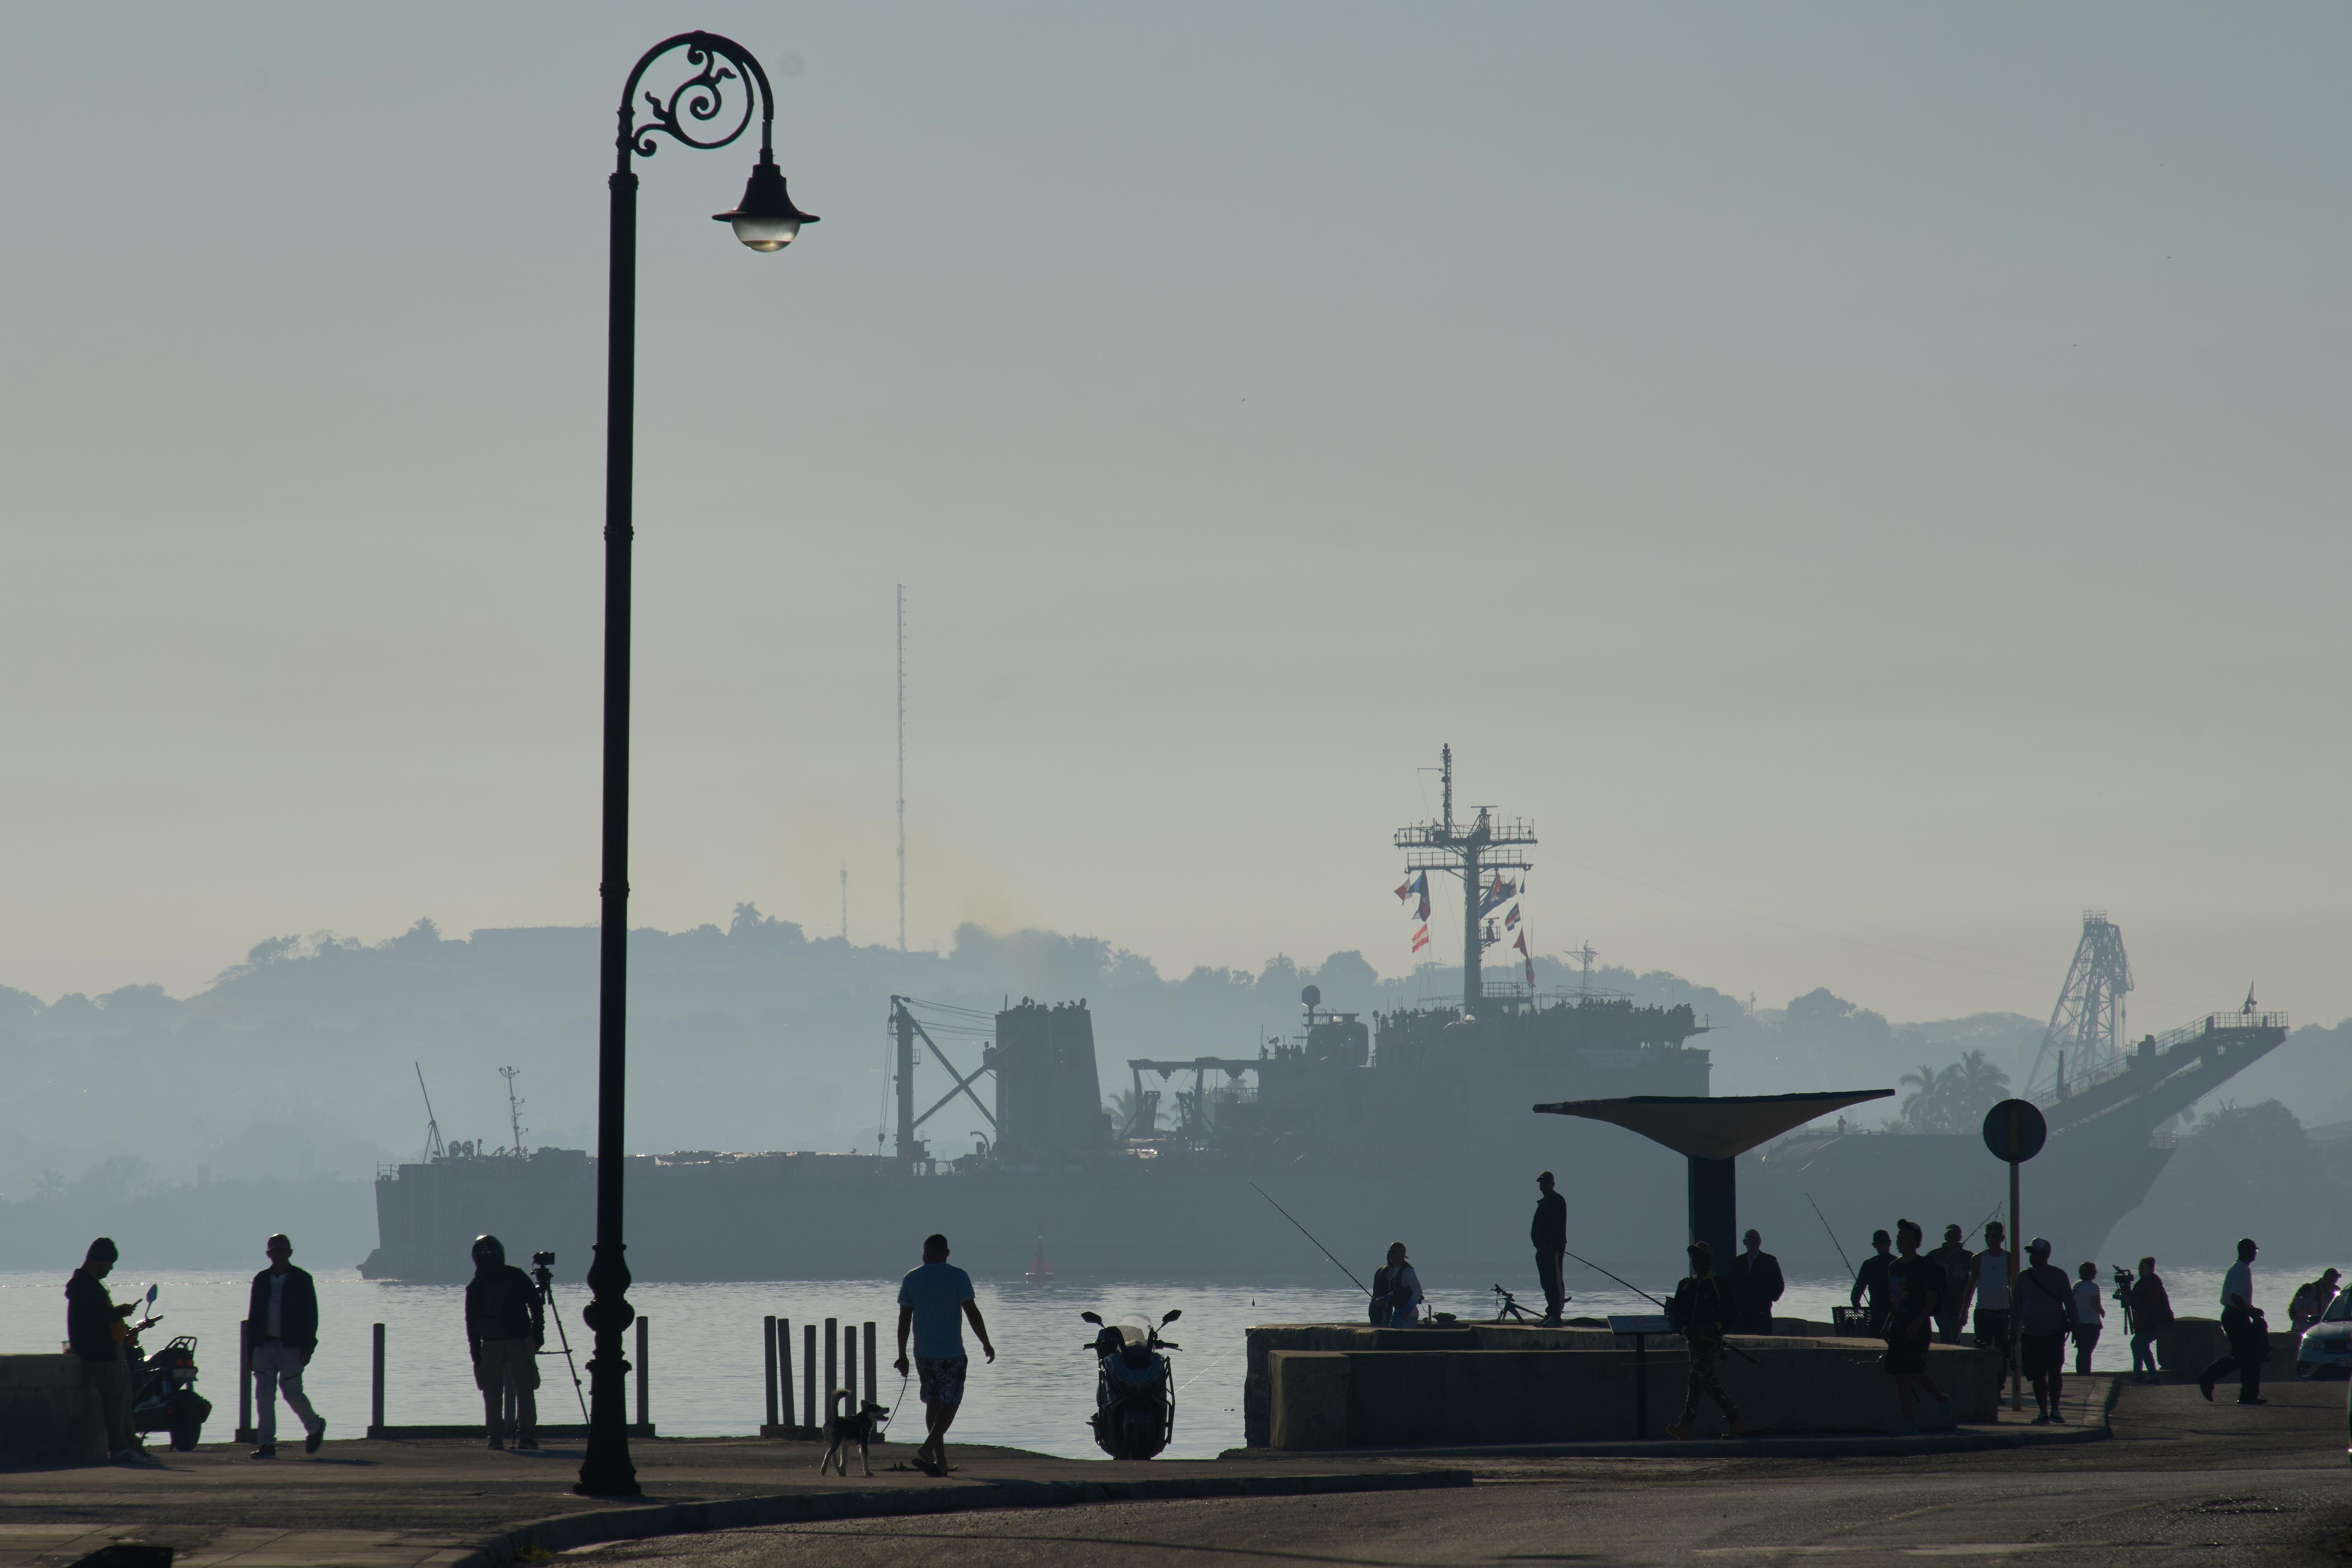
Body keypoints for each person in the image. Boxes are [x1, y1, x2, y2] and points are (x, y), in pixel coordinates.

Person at [893, 1233, 996, 1476]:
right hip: (951, 1353)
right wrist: (986, 1342)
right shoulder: (958, 1276)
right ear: (947, 1253)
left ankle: (939, 1461)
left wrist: (902, 1354)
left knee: (933, 1403)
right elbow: (972, 1312)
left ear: (925, 1251)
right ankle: (928, 1447)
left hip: (923, 1354)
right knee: (951, 1402)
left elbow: (904, 1320)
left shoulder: (912, 1277)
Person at [244, 1233, 324, 1457]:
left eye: (283, 1250)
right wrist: (250, 1351)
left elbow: (312, 1316)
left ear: (290, 1253)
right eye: (275, 1250)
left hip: (291, 1347)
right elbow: (254, 1316)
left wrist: (308, 1347)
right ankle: (267, 1445)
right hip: (263, 1346)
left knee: (292, 1393)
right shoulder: (261, 1280)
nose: (279, 1254)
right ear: (268, 1254)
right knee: (264, 1396)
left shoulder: (302, 1279)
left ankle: (315, 1427)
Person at [65, 1237, 142, 1461]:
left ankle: (133, 1447)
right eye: (109, 1264)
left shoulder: (90, 1285)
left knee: (123, 1401)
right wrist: (120, 1312)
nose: (111, 1269)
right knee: (115, 1403)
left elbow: (98, 1315)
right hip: (102, 1353)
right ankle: (120, 1449)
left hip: (111, 1350)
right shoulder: (84, 1285)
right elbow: (95, 1318)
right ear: (99, 1261)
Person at [463, 1234, 543, 1449]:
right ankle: (526, 1437)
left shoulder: (476, 1285)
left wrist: (475, 1352)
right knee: (525, 1390)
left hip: (489, 1344)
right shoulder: (516, 1275)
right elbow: (536, 1304)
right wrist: (538, 1334)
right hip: (520, 1341)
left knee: (491, 1394)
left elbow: (470, 1322)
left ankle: (495, 1438)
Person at [1665, 1241, 1745, 1440]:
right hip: (1694, 1343)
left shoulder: (1719, 1284)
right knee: (1710, 1385)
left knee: (1696, 1378)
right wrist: (1686, 1331)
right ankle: (1736, 1421)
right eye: (1693, 1257)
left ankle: (1685, 1425)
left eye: (1699, 1257)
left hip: (1711, 1344)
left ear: (1708, 1260)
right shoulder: (1685, 1285)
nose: (1695, 1260)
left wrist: (1714, 1329)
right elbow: (1677, 1315)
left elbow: (1730, 1314)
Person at [1882, 1218, 1953, 1434]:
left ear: (1916, 1242)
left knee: (1913, 1371)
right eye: (1899, 1237)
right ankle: (1909, 1421)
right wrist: (1887, 1325)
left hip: (1918, 1328)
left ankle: (1941, 1399)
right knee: (1899, 1374)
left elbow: (1931, 1299)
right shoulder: (1894, 1267)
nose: (1899, 1241)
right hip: (1898, 1327)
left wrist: (1918, 1322)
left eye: (1904, 1238)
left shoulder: (1923, 1267)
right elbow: (1893, 1301)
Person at [2199, 1237, 2269, 1405]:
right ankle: (2208, 1378)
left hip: (2237, 1315)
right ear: (2247, 1252)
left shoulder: (2241, 1269)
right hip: (2235, 1316)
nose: (2255, 1253)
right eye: (2254, 1250)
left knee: (2247, 1357)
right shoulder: (2240, 1270)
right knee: (2243, 1356)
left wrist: (2251, 1312)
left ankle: (2248, 1395)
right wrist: (2252, 1313)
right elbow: (2236, 1298)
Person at [2015, 1239, 2077, 1423]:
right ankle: (2043, 1411)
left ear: (2046, 1255)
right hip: (2031, 1333)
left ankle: (2056, 1409)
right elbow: (2017, 1307)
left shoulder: (2058, 1276)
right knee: (2037, 1375)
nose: (2033, 1257)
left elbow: (2070, 1303)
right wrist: (2012, 1332)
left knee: (2055, 1371)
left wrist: (2076, 1328)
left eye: (2037, 1253)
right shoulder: (2023, 1278)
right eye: (2032, 1253)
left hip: (2054, 1332)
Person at [1973, 1221, 2016, 1382]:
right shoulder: (1978, 1259)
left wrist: (2017, 1312)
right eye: (1988, 1236)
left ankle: (1998, 1388)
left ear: (2002, 1238)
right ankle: (1983, 1386)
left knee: (2003, 1353)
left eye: (1995, 1236)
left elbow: (2015, 1286)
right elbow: (1971, 1285)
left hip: (2004, 1313)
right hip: (1983, 1312)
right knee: (1982, 1351)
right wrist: (1964, 1311)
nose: (1991, 1240)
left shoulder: (2009, 1258)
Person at [1728, 1230, 1785, 1336]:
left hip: (1762, 1314)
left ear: (1760, 1242)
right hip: (1741, 1315)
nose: (1754, 1241)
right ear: (1745, 1242)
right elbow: (1731, 1285)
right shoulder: (1738, 1262)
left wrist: (1768, 1298)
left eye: (1756, 1239)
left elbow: (1779, 1284)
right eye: (1751, 1239)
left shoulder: (1770, 1261)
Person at [2127, 1257, 2172, 1385]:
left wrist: (2133, 1301)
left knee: (2138, 1345)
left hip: (2152, 1322)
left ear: (2151, 1269)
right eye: (2139, 1267)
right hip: (2144, 1323)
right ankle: (2149, 1376)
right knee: (2141, 1347)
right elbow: (2136, 1297)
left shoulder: (2153, 1283)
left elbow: (2150, 1303)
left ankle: (2144, 1376)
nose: (2140, 1270)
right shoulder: (2143, 1283)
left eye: (2143, 1267)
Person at [1929, 1224, 1975, 1345]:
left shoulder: (1968, 1256)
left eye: (1955, 1235)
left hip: (1960, 1304)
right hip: (1941, 1303)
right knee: (1946, 1333)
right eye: (1949, 1235)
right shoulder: (1935, 1255)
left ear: (1960, 1237)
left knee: (1955, 1336)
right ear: (1945, 1237)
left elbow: (1976, 1277)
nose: (1952, 1238)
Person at [1531, 1171, 1568, 1326]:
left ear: (1552, 1184)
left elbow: (1558, 1226)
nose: (1542, 1186)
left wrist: (1554, 1246)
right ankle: (1551, 1313)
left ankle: (1556, 1316)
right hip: (1542, 1250)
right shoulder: (1544, 1202)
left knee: (1554, 1282)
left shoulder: (1557, 1201)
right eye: (1541, 1184)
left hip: (1553, 1250)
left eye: (1545, 1183)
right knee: (1547, 1283)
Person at [1850, 1230, 1893, 1334]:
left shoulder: (1869, 1264)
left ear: (1874, 1245)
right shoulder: (1898, 1263)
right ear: (1890, 1243)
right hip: (1896, 1310)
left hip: (1877, 1309)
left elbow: (1859, 1286)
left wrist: (1856, 1302)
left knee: (1875, 1334)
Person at [1372, 1243, 1424, 1327]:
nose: (1391, 1255)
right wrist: (1383, 1300)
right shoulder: (1396, 1270)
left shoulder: (1408, 1271)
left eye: (1394, 1252)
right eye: (1390, 1252)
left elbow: (1418, 1291)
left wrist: (1407, 1311)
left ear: (1402, 1254)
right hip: (1396, 1314)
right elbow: (1396, 1292)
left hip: (1408, 1316)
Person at [2070, 1261, 2105, 1378]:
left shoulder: (2077, 1285)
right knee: (2088, 1351)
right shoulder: (2094, 1287)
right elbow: (2096, 1306)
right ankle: (2086, 1375)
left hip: (2079, 1323)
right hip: (2092, 1324)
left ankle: (2080, 1374)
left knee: (2081, 1351)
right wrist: (2102, 1312)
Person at [2289, 1268, 2341, 1334]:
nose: (2333, 1284)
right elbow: (2294, 1310)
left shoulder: (2337, 1291)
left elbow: (2343, 1306)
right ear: (2325, 1278)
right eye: (2332, 1280)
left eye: (2335, 1281)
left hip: (2330, 1324)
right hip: (2311, 1326)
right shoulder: (2311, 1289)